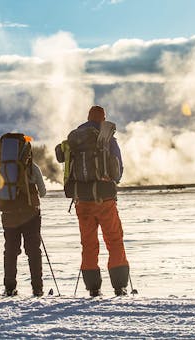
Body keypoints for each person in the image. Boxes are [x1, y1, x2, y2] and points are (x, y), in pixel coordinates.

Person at [71, 105, 129, 297]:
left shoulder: (76, 139)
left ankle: (93, 287)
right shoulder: (107, 138)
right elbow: (118, 169)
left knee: (88, 243)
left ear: (87, 117)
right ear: (103, 118)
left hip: (82, 199)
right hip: (105, 199)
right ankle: (119, 285)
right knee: (114, 239)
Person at [0, 134, 46, 297]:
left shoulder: (4, 167)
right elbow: (43, 192)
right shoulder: (33, 168)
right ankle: (37, 288)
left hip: (9, 213)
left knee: (10, 250)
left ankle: (9, 287)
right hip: (30, 213)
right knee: (33, 251)